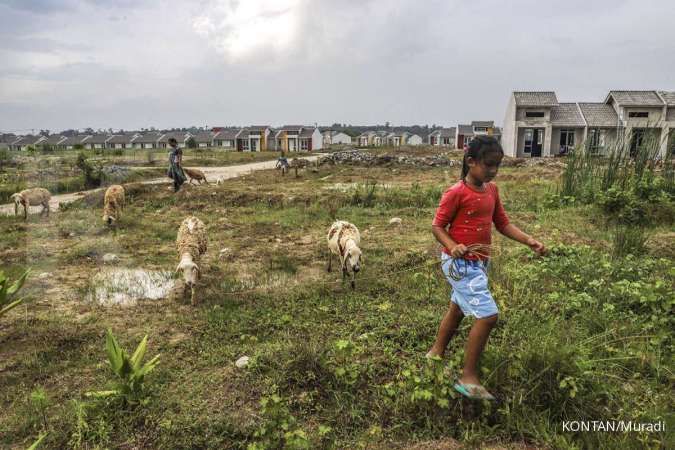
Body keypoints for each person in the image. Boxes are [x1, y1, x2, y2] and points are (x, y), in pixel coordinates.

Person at [427, 135, 546, 400]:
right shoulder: (456, 192)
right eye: (489, 165)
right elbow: (437, 227)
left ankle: (435, 353)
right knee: (488, 315)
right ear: (471, 162)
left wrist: (529, 240)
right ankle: (468, 377)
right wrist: (453, 244)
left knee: (457, 309)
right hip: (460, 264)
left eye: (497, 166)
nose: (493, 171)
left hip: (480, 262)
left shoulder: (492, 191)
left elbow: (502, 223)